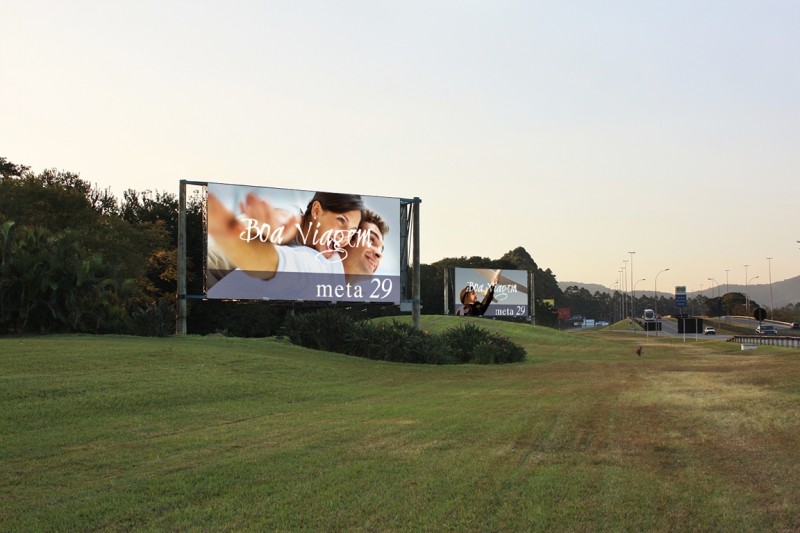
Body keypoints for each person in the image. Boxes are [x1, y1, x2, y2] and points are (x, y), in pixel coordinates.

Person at [207, 190, 365, 281]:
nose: (345, 235)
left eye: (352, 231)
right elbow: (283, 216)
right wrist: (275, 230)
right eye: (341, 220)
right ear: (317, 210)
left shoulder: (314, 256)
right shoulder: (292, 218)